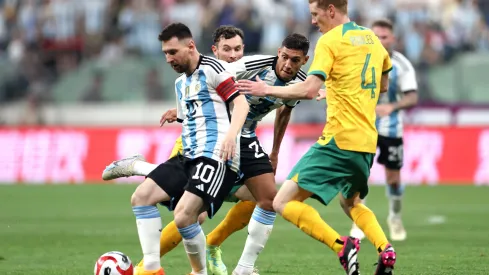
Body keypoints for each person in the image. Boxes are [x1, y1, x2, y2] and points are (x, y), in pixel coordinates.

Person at [103, 27, 311, 275]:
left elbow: (284, 108)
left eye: (237, 49)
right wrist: (180, 112)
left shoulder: (295, 82)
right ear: (214, 50)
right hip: (203, 140)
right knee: (190, 213)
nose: (233, 55)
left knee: (264, 198)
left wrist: (274, 150)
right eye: (227, 49)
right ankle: (150, 264)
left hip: (238, 138)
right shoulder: (229, 68)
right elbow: (206, 85)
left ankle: (231, 263)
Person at [235, 1, 396, 274]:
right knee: (351, 202)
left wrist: (266, 90)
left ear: (330, 9)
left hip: (338, 140)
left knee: (282, 201)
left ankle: (342, 246)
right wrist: (339, 89)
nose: (312, 21)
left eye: (315, 14)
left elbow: (309, 90)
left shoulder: (330, 41)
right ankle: (385, 249)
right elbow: (383, 86)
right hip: (367, 141)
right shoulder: (372, 39)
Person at [130, 22, 249, 275]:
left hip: (216, 157)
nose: (168, 58)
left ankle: (199, 273)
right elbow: (194, 116)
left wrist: (230, 136)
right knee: (140, 198)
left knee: (185, 216)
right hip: (188, 157)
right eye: (165, 53)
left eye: (172, 52)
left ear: (191, 46)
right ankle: (152, 269)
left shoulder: (214, 69)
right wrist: (178, 115)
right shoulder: (180, 84)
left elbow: (241, 105)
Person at [350, 18, 418, 242]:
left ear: (393, 39)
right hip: (363, 125)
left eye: (384, 37)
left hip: (391, 128)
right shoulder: (359, 59)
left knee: (393, 178)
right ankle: (359, 222)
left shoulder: (402, 65)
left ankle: (395, 218)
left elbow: (412, 97)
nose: (379, 40)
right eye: (375, 36)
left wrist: (392, 106)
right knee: (359, 175)